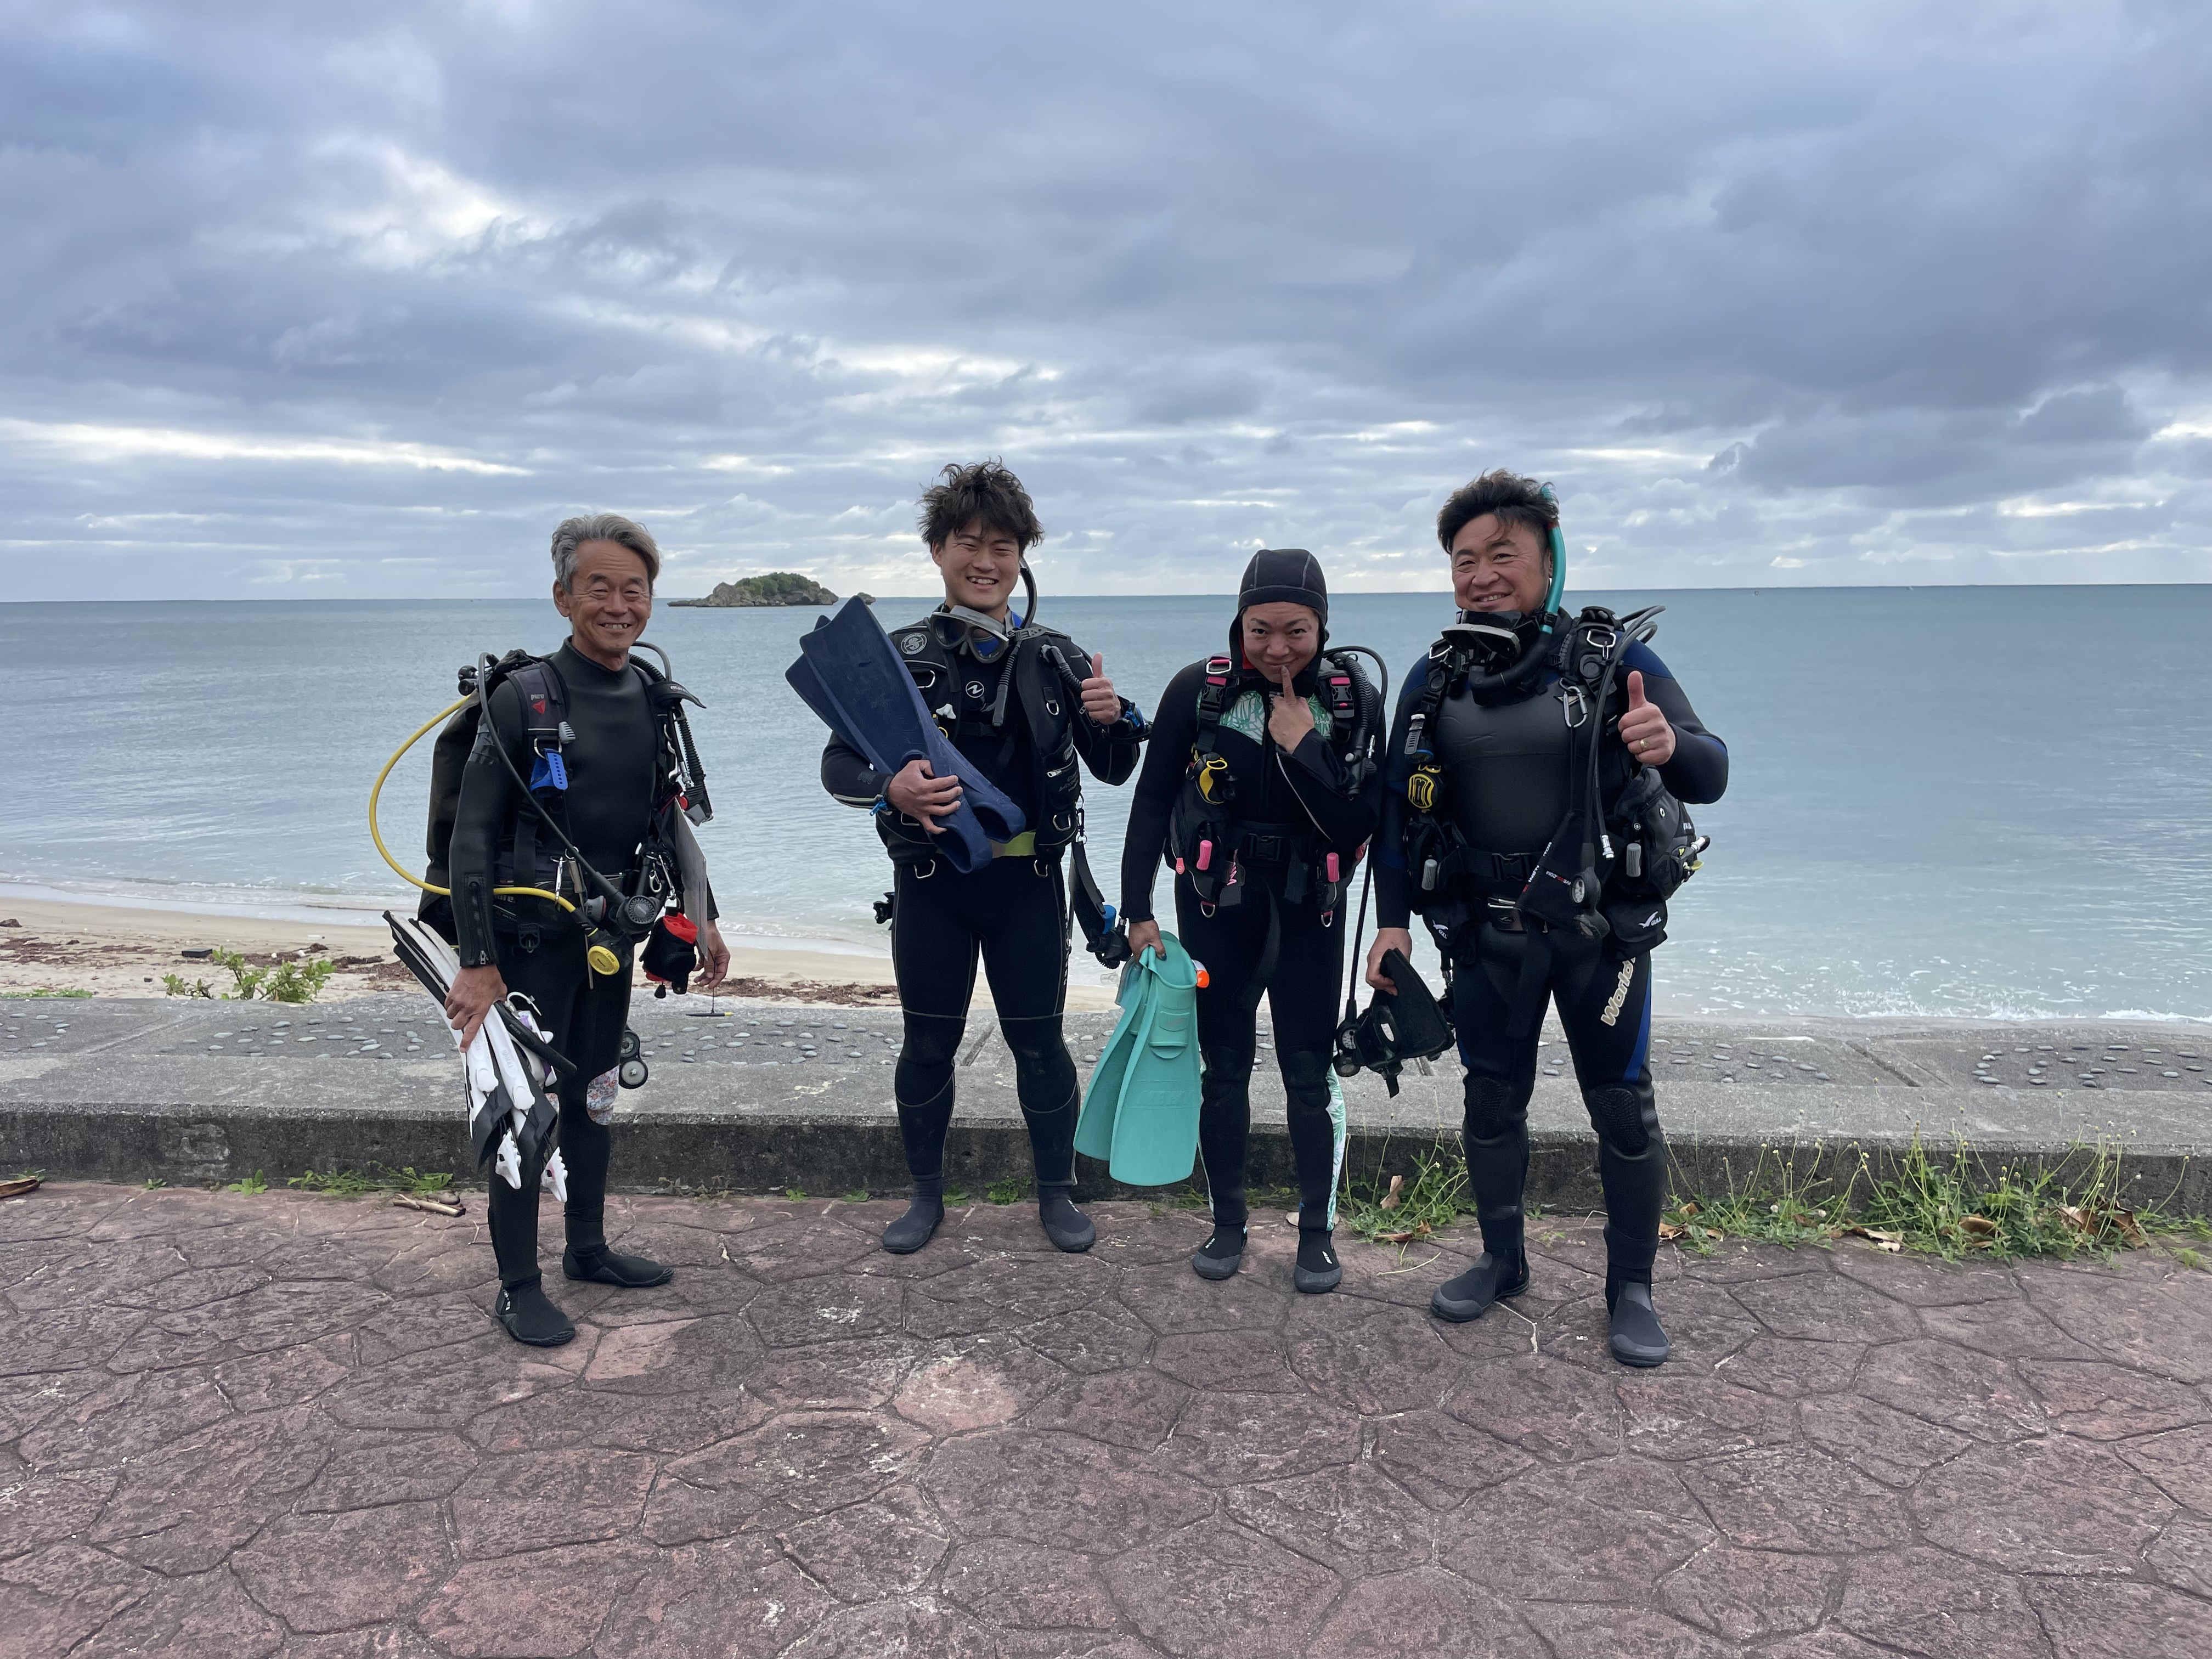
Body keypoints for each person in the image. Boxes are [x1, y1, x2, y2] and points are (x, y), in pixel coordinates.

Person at [1366, 472, 1726, 1365]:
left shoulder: (1610, 660)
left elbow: (1712, 770)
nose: (1482, 575)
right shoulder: (1435, 678)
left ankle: (1631, 1288)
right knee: (1491, 1101)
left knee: (1623, 1111)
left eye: (1503, 555)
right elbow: (1395, 813)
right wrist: (1392, 923)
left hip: (1600, 936)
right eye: (1465, 561)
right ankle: (1502, 1259)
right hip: (1487, 934)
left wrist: (1669, 745)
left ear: (1548, 560)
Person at [820, 461, 1146, 1255]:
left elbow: (1112, 768)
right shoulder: (896, 656)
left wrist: (1113, 720)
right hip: (932, 886)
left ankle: (1057, 1194)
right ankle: (924, 1196)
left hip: (1028, 886)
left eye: (1003, 546)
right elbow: (837, 766)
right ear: (938, 550)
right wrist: (890, 787)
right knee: (927, 1045)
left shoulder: (1058, 657)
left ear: (1022, 557)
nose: (986, 561)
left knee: (1039, 1045)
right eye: (968, 543)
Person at [442, 514, 730, 1346]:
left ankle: (588, 1249)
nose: (617, 604)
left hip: (609, 939)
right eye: (597, 587)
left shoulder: (651, 696)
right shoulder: (524, 698)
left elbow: (666, 818)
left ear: (651, 601)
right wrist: (478, 962)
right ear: (563, 597)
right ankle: (517, 1286)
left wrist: (705, 919)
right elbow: (471, 835)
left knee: (595, 1097)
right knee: (521, 1114)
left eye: (633, 589)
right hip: (529, 947)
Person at [1122, 550, 1384, 1293]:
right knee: (1224, 1071)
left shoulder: (1351, 701)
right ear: (1238, 623)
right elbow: (1151, 801)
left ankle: (1316, 1233)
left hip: (1311, 911)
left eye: (1296, 631)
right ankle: (1228, 1223)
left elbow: (1359, 823)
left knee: (1308, 1074)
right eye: (1259, 629)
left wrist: (1305, 744)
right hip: (1217, 908)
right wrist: (1137, 909)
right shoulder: (1197, 693)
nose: (1277, 649)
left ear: (1323, 627)